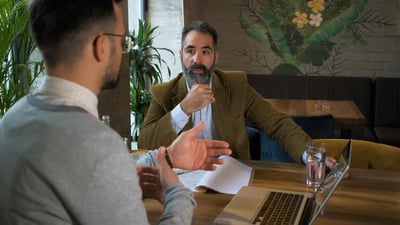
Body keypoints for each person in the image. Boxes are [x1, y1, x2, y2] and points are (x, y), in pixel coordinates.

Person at [0, 1, 231, 224]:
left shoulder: (10, 120)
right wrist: (178, 195)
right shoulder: (98, 144)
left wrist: (167, 156)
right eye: (123, 40)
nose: (123, 50)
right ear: (101, 46)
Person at [138, 21, 311, 163]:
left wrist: (309, 155)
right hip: (183, 181)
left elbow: (277, 123)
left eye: (205, 51)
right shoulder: (164, 93)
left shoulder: (236, 86)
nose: (197, 59)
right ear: (181, 54)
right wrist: (183, 109)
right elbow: (145, 142)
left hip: (230, 178)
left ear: (215, 57)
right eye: (190, 50)